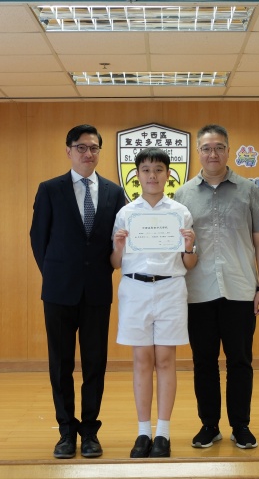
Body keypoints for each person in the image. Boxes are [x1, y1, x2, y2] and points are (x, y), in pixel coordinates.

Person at [30, 124, 126, 459]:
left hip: (97, 290)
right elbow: (38, 239)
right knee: (60, 364)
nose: (88, 153)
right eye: (81, 147)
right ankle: (66, 432)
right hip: (59, 291)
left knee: (95, 364)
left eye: (94, 148)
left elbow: (118, 240)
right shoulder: (50, 189)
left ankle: (90, 431)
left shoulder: (114, 192)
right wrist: (56, 274)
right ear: (68, 151)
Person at [173, 124, 259, 450]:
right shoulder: (183, 195)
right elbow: (179, 248)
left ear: (228, 151)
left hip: (240, 290)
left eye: (218, 147)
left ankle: (240, 426)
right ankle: (209, 425)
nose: (212, 154)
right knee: (204, 363)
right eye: (206, 148)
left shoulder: (248, 190)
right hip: (197, 293)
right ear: (198, 153)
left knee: (240, 362)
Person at [111, 147, 198, 458]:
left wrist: (189, 246)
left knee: (165, 360)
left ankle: (163, 433)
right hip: (134, 290)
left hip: (170, 289)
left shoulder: (180, 212)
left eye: (158, 170)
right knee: (142, 360)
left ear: (168, 175)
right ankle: (143, 432)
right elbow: (115, 263)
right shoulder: (126, 213)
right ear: (137, 175)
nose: (152, 175)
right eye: (146, 170)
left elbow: (189, 263)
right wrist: (118, 247)